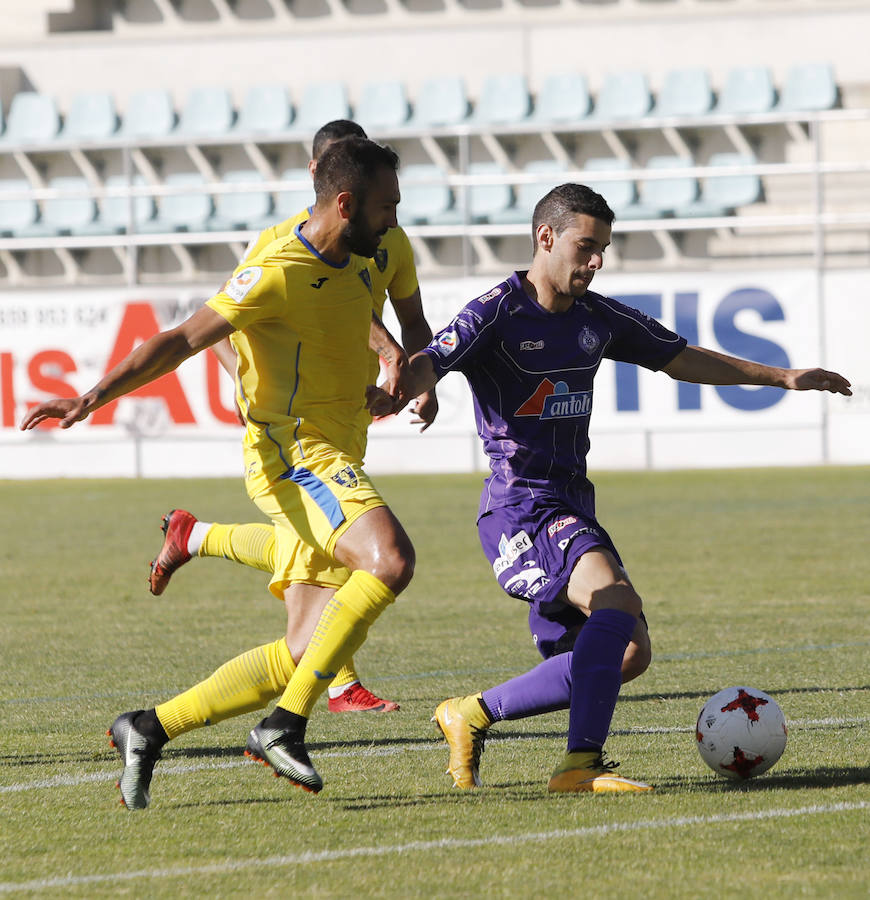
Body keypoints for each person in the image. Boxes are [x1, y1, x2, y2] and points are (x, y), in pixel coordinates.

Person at [366, 182, 851, 794]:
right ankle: (579, 765)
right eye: (586, 247)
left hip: (569, 502)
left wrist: (782, 376)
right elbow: (428, 362)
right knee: (616, 603)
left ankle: (470, 713)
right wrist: (393, 389)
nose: (596, 262)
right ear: (546, 238)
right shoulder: (495, 311)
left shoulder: (599, 317)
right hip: (522, 504)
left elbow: (681, 358)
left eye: (604, 250)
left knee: (629, 655)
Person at [21, 136, 418, 808]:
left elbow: (368, 319)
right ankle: (284, 726)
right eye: (386, 207)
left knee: (303, 652)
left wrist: (396, 374)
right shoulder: (273, 268)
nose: (395, 221)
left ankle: (149, 726)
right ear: (344, 202)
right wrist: (91, 397)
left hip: (341, 448)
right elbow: (182, 340)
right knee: (389, 561)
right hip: (295, 454)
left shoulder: (365, 252)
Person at [148, 119, 438, 715]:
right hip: (291, 433)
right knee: (368, 555)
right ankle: (320, 695)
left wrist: (414, 374)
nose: (389, 214)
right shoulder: (280, 248)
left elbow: (400, 320)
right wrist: (249, 387)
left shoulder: (388, 241)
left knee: (311, 580)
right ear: (328, 185)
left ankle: (193, 540)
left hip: (347, 419)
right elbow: (219, 325)